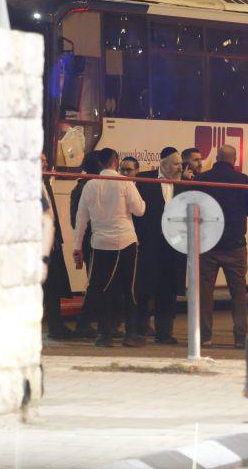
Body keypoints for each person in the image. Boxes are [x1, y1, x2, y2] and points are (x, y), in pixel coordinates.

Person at [72, 148, 146, 347]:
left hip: (100, 243)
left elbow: (81, 220)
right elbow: (139, 210)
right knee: (128, 289)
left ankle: (104, 335)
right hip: (126, 242)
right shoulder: (124, 183)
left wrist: (77, 246)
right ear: (115, 161)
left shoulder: (89, 186)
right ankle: (131, 334)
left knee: (101, 289)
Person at [195, 145, 248, 348]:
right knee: (239, 293)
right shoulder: (244, 180)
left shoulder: (202, 179)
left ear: (216, 157)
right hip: (235, 245)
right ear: (234, 159)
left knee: (205, 293)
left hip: (209, 245)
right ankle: (240, 338)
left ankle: (205, 337)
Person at [134, 147, 184, 344]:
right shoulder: (144, 180)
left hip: (173, 247)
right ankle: (140, 330)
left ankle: (164, 333)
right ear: (163, 164)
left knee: (168, 290)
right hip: (149, 244)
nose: (180, 167)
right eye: (175, 163)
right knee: (144, 289)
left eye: (180, 163)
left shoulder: (185, 185)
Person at [40, 154, 75, 340]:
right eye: (40, 160)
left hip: (51, 243)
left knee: (53, 288)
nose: (45, 163)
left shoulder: (46, 183)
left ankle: (56, 326)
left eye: (45, 160)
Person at [69, 150, 103, 339]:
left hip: (94, 240)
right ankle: (84, 323)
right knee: (96, 283)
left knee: (97, 282)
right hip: (93, 242)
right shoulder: (85, 187)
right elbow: (77, 219)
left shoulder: (88, 186)